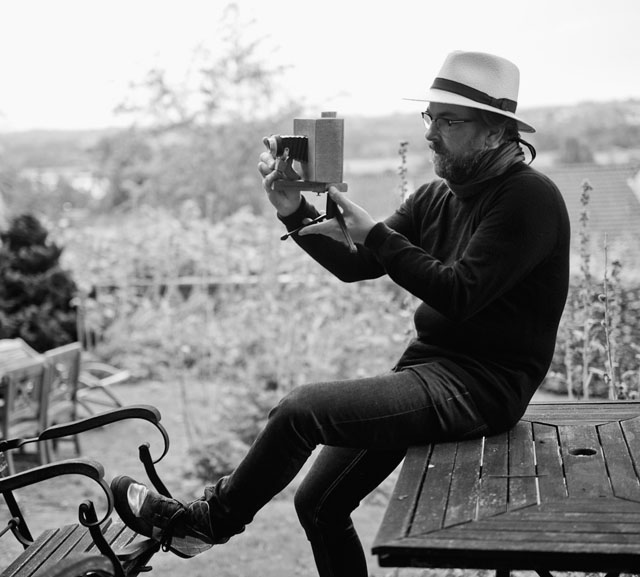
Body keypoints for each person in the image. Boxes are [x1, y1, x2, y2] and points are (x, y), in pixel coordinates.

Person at [111, 50, 571, 577]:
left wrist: (375, 231)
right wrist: (293, 209)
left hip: (483, 388)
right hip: (428, 371)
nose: (430, 134)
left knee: (299, 409)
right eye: (431, 117)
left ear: (494, 132)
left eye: (449, 120)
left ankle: (205, 523)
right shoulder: (437, 198)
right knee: (320, 504)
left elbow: (461, 293)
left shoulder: (528, 199)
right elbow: (359, 265)